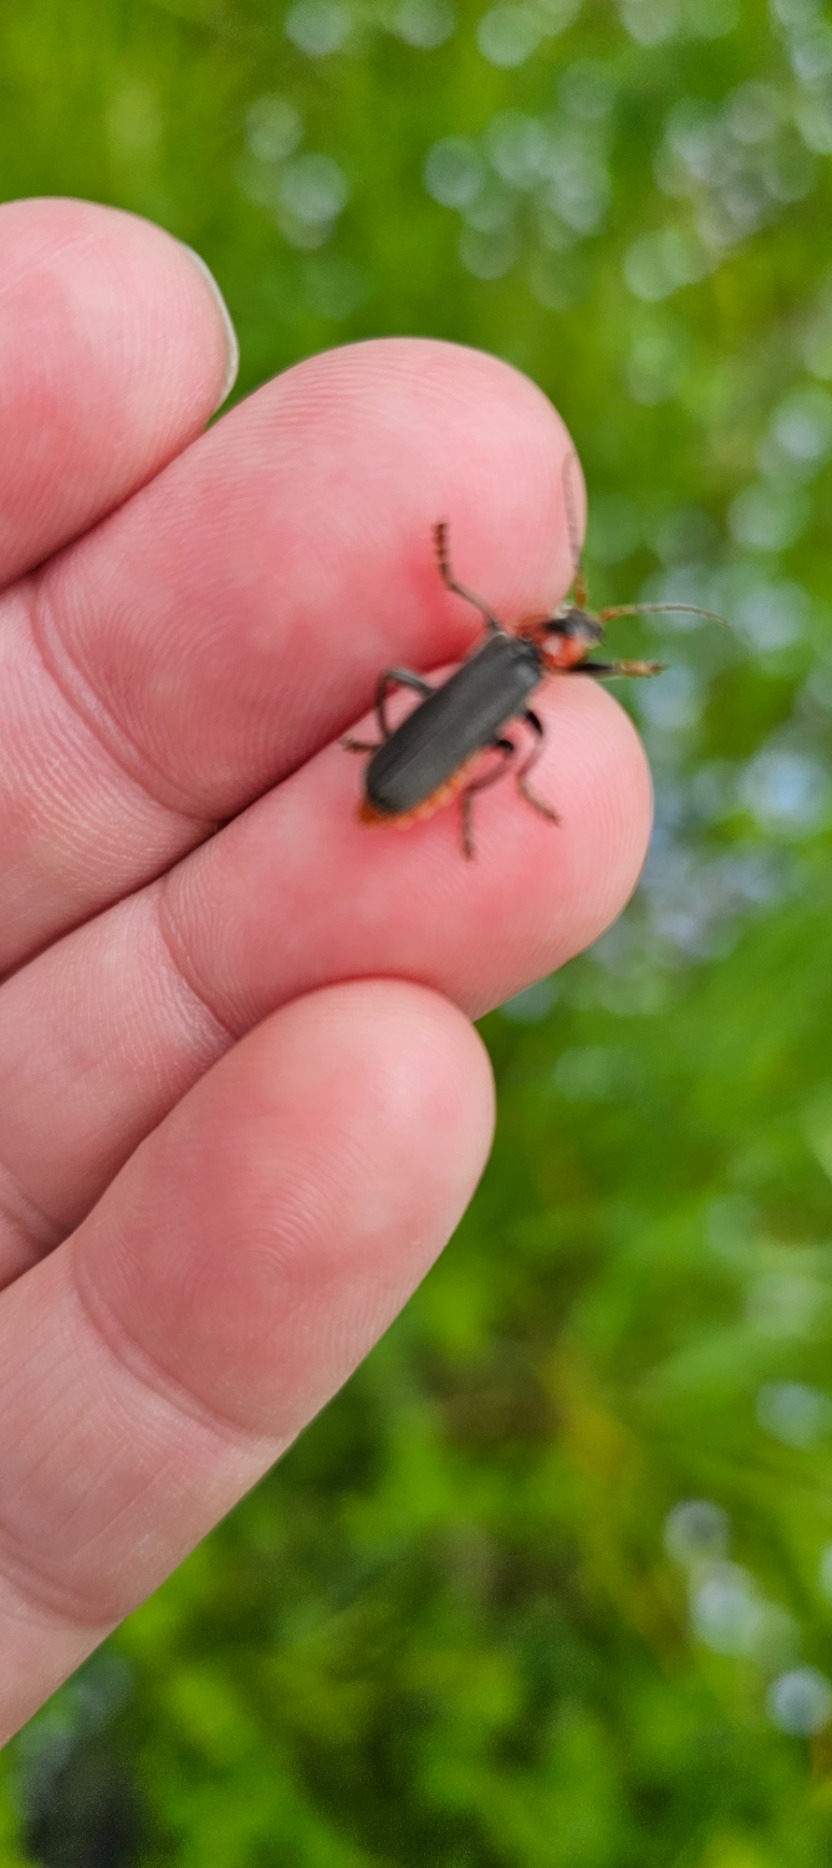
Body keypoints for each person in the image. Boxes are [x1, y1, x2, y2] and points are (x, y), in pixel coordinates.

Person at [0, 197, 652, 1742]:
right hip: (417, 760)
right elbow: (496, 675)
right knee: (487, 746)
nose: (568, 639)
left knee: (471, 751)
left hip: (413, 755)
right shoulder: (518, 673)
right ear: (561, 642)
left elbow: (483, 668)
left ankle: (468, 800)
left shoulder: (506, 667)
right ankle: (472, 800)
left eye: (579, 640)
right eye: (580, 637)